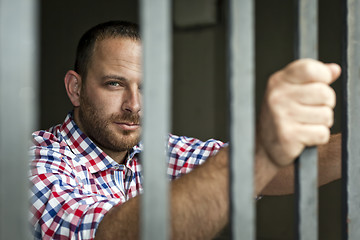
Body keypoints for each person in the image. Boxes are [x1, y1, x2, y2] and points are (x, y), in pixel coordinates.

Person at [29, 21, 341, 240]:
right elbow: (104, 234)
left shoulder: (157, 150)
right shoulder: (36, 159)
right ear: (75, 88)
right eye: (115, 84)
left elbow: (272, 169)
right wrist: (260, 148)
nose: (134, 105)